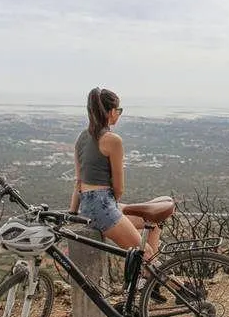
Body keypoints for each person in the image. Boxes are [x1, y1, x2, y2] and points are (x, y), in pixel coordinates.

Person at [69, 87, 162, 262]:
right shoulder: (113, 140)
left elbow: (78, 182)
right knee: (147, 254)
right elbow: (119, 188)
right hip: (103, 206)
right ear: (111, 112)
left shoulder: (81, 138)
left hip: (87, 204)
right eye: (118, 110)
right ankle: (160, 280)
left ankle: (150, 282)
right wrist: (112, 205)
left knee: (153, 223)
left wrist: (72, 213)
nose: (119, 114)